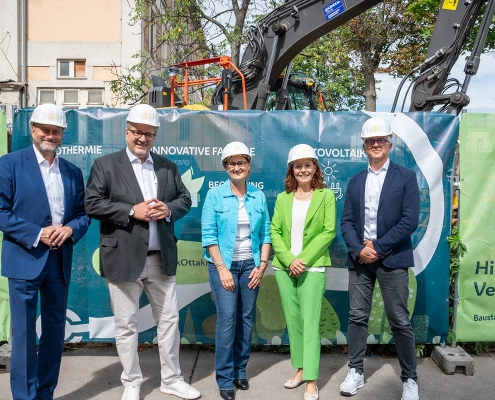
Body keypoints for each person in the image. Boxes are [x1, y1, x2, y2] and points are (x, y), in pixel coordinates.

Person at [84, 104, 200, 400]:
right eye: (137, 132)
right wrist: (130, 211)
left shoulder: (166, 166)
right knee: (126, 325)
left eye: (149, 134)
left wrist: (169, 209)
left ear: (155, 135)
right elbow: (92, 204)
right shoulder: (106, 165)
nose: (143, 138)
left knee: (170, 323)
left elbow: (184, 199)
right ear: (127, 131)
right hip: (123, 259)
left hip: (161, 260)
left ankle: (171, 379)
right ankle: (132, 382)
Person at [0, 104, 90, 400]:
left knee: (54, 334)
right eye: (45, 130)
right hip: (25, 260)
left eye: (56, 131)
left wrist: (70, 230)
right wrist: (38, 233)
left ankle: (45, 393)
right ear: (33, 130)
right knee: (24, 336)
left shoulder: (73, 172)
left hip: (58, 261)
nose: (50, 135)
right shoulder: (10, 164)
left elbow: (83, 214)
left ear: (62, 134)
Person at [340, 117, 420, 400]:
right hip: (361, 260)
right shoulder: (355, 181)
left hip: (392, 258)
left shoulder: (405, 177)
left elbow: (409, 221)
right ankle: (356, 372)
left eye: (381, 140)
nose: (376, 144)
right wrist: (359, 249)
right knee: (357, 317)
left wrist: (378, 247)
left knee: (399, 320)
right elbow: (347, 222)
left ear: (390, 143)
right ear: (364, 146)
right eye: (370, 141)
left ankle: (410, 379)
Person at [201, 141, 271, 400]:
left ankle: (241, 370)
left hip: (251, 266)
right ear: (225, 167)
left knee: (246, 318)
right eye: (232, 163)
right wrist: (222, 268)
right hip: (224, 266)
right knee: (228, 319)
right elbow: (209, 235)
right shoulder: (215, 195)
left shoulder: (258, 196)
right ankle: (225, 378)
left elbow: (266, 233)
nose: (237, 167)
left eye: (242, 162)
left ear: (249, 166)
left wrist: (262, 266)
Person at [270, 144, 336, 400]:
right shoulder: (282, 198)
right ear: (292, 170)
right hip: (284, 269)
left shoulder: (326, 196)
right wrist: (289, 260)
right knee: (294, 322)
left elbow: (328, 231)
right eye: (298, 166)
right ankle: (299, 368)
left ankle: (311, 380)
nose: (303, 170)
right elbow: (275, 231)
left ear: (315, 168)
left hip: (314, 267)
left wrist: (304, 261)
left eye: (308, 165)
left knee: (310, 324)